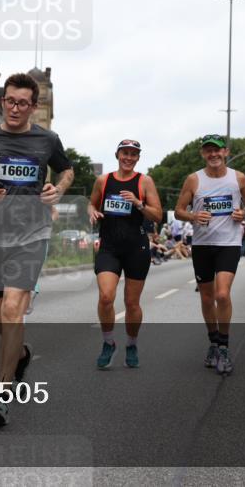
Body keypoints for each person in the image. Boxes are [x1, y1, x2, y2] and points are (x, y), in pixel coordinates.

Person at [0, 72, 74, 427]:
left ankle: (2, 395)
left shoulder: (47, 140)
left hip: (31, 237)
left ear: (34, 107)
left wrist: (58, 190)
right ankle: (20, 354)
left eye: (23, 102)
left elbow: (67, 171)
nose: (15, 108)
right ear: (2, 101)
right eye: (10, 100)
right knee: (2, 322)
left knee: (11, 310)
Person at [175, 134, 245, 375]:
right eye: (208, 151)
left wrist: (244, 212)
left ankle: (224, 346)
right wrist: (193, 216)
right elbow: (179, 210)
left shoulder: (238, 178)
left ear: (226, 152)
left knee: (222, 294)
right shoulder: (193, 180)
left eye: (217, 150)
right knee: (206, 298)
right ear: (203, 154)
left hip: (228, 244)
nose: (213, 154)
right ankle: (213, 342)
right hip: (202, 245)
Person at [88, 139, 162, 369]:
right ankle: (109, 342)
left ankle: (131, 344)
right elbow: (91, 204)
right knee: (106, 297)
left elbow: (157, 215)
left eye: (133, 154)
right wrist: (92, 213)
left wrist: (139, 204)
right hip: (109, 247)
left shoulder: (144, 181)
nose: (128, 158)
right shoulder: (104, 180)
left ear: (138, 158)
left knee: (131, 303)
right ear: (117, 155)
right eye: (125, 153)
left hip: (136, 248)